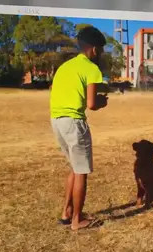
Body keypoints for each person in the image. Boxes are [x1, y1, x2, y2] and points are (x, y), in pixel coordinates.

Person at [50, 26, 108, 231]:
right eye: (100, 50)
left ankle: (66, 212)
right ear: (93, 49)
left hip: (57, 120)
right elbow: (92, 104)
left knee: (75, 168)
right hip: (74, 122)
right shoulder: (91, 68)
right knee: (82, 171)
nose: (100, 54)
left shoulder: (65, 67)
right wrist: (102, 101)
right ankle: (77, 220)